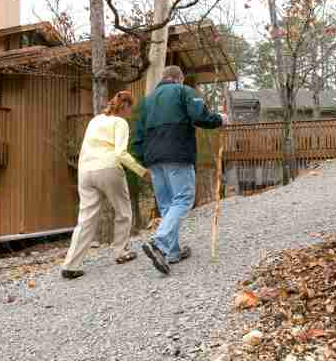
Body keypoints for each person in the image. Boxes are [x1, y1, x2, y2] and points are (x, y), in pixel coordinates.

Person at [132, 66, 228, 275]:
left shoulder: (146, 102)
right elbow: (200, 115)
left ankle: (172, 252)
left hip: (153, 158)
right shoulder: (184, 92)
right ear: (179, 79)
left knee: (167, 205)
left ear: (164, 78)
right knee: (183, 199)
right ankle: (159, 241)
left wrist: (144, 159)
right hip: (177, 154)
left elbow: (137, 136)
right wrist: (219, 119)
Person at [61, 90, 149, 279]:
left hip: (85, 170)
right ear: (125, 106)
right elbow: (120, 153)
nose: (129, 113)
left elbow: (85, 147)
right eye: (129, 109)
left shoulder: (95, 120)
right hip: (108, 168)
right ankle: (120, 252)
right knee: (123, 210)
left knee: (86, 218)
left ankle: (70, 264)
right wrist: (142, 171)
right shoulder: (120, 123)